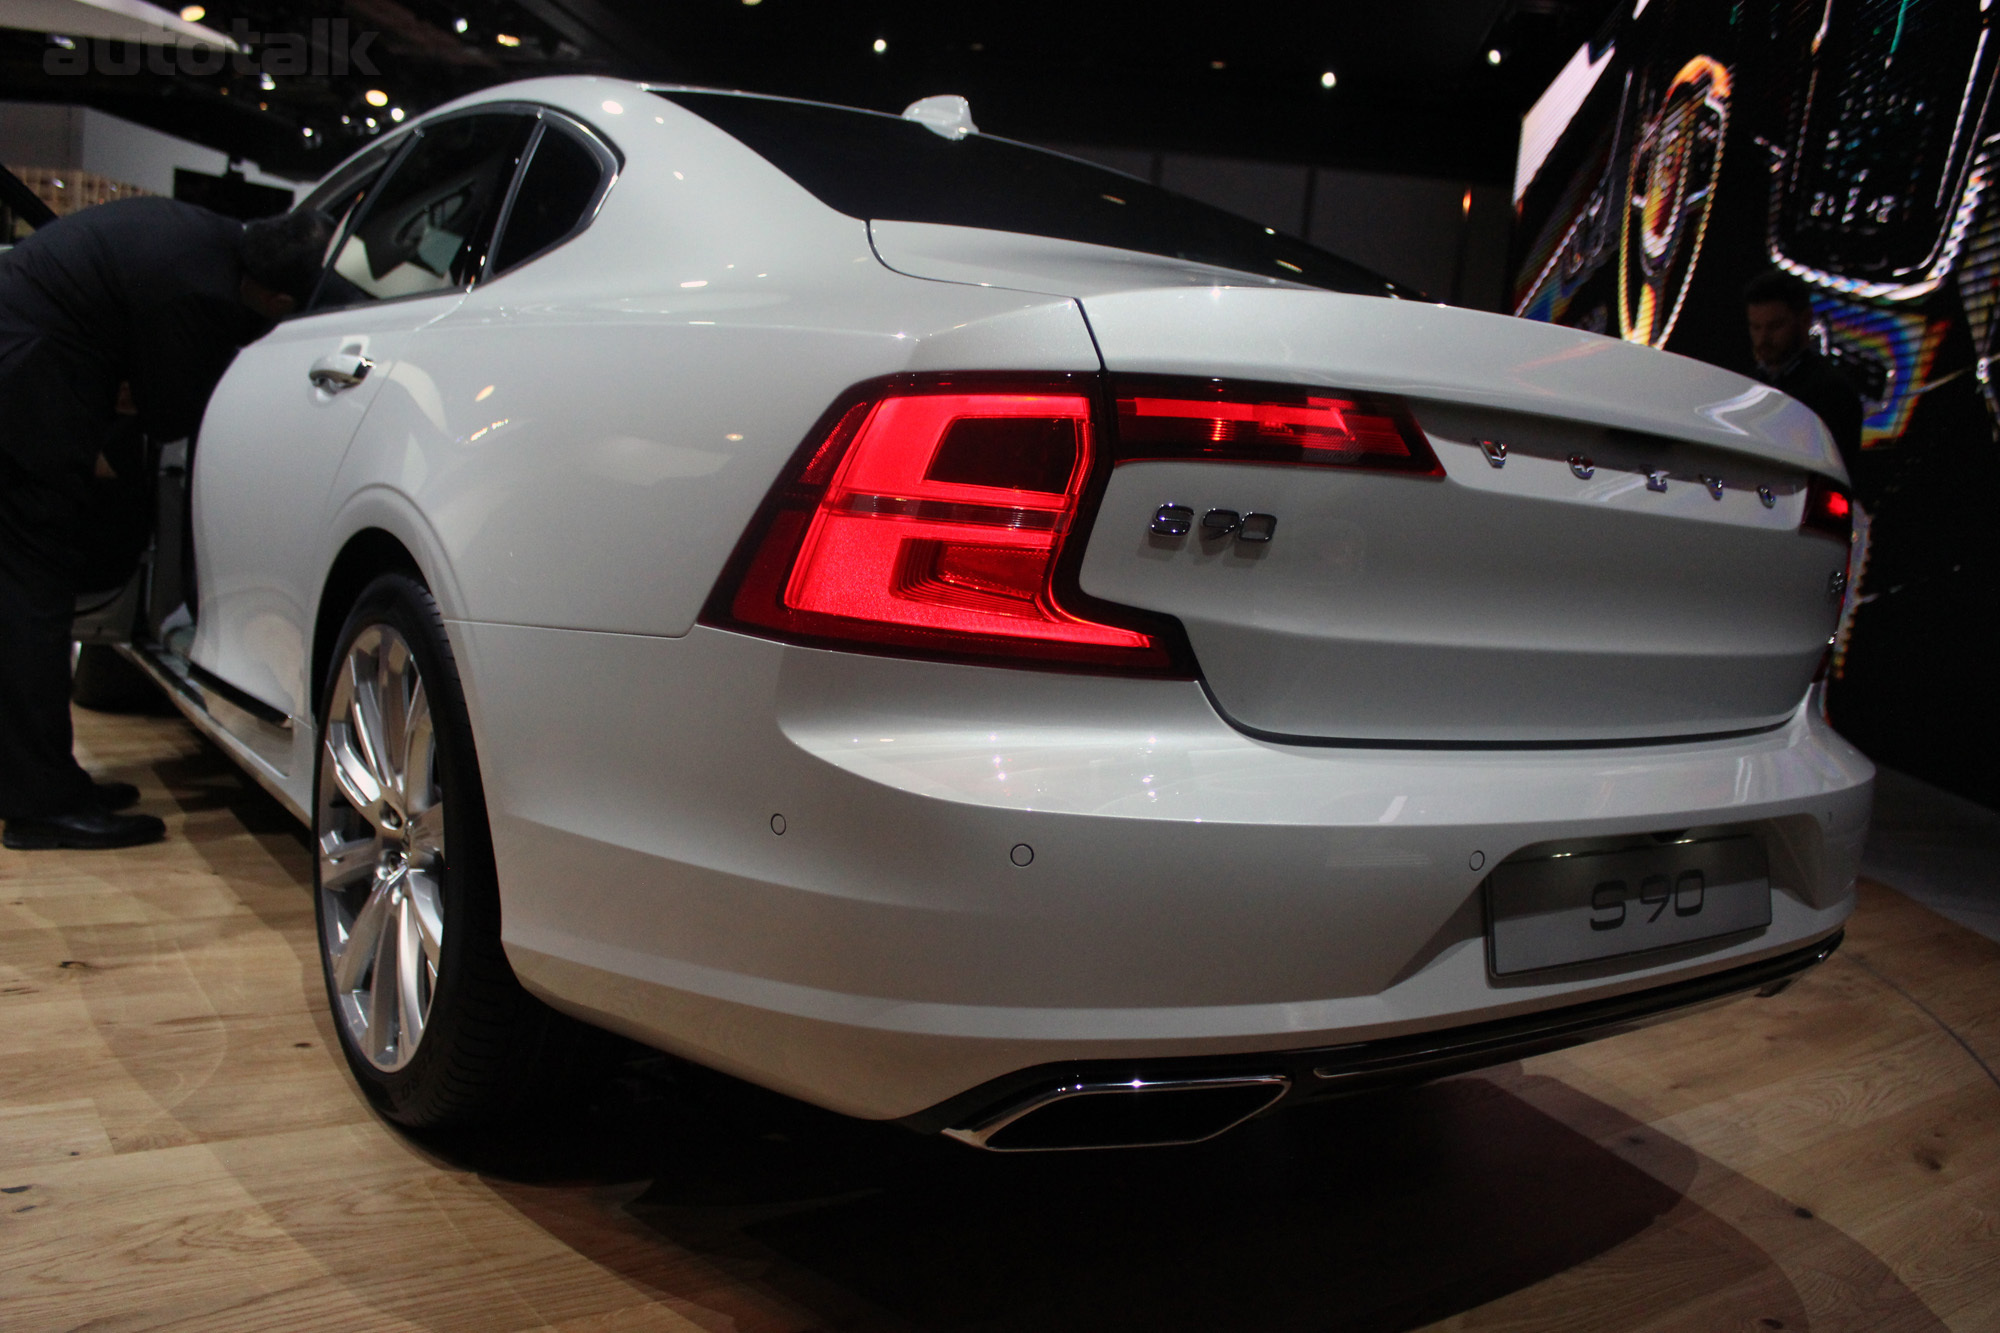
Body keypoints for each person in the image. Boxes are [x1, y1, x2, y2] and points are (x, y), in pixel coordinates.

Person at [0, 198, 332, 850]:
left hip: (29, 358)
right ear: (272, 294)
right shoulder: (193, 290)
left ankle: (44, 783)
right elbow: (173, 414)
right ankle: (41, 804)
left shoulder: (208, 237)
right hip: (27, 382)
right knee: (31, 600)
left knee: (26, 597)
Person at [1744, 268, 1865, 479]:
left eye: (1775, 326)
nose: (1763, 339)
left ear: (1805, 320)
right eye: (1755, 327)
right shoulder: (1747, 385)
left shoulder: (1833, 392)